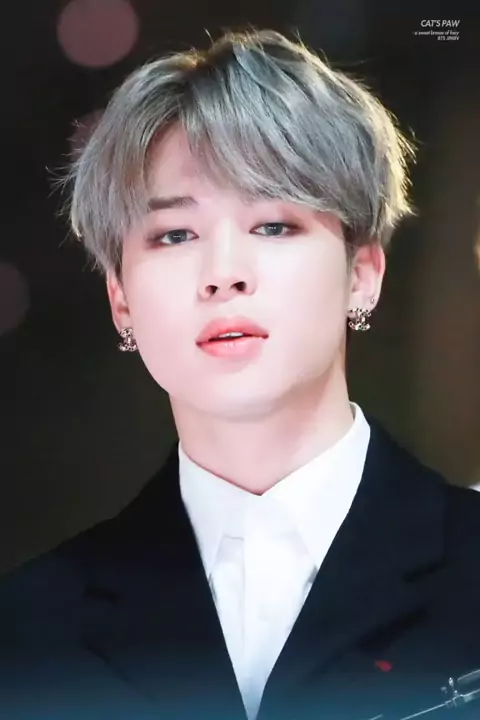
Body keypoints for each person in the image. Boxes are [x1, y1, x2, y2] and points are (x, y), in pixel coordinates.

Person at [1, 28, 480, 720]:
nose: (223, 274)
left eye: (273, 225)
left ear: (363, 273)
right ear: (121, 299)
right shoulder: (27, 634)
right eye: (175, 235)